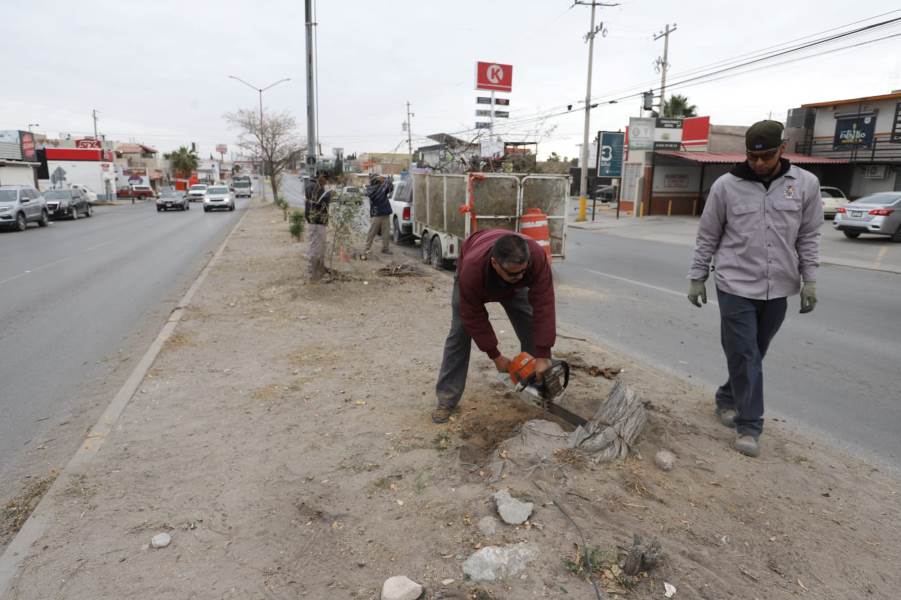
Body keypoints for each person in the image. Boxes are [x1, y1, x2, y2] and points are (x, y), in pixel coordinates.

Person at [687, 120, 822, 457]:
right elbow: (708, 235)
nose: (759, 163)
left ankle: (726, 397)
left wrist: (811, 280)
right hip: (735, 283)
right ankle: (750, 425)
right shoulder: (725, 187)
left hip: (779, 286)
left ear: (783, 147)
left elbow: (808, 236)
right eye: (753, 156)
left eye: (767, 156)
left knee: (755, 351)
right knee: (745, 353)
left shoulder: (805, 184)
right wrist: (697, 276)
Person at [432, 230, 556, 423]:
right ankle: (446, 398)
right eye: (515, 274)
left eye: (524, 270)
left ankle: (537, 386)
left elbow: (544, 304)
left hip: (510, 286)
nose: (521, 276)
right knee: (459, 333)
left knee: (531, 324)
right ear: (495, 264)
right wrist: (495, 355)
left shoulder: (536, 257)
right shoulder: (471, 271)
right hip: (475, 275)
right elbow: (473, 316)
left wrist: (543, 353)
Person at [304, 171, 333, 281]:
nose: (326, 182)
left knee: (316, 245)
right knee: (317, 246)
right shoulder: (315, 187)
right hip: (317, 221)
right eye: (325, 179)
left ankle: (316, 269)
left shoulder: (311, 185)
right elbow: (322, 200)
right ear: (321, 177)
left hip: (315, 220)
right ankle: (314, 272)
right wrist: (330, 195)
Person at [362, 173, 394, 258]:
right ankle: (367, 248)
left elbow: (390, 188)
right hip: (376, 214)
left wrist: (389, 181)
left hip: (385, 213)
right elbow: (369, 193)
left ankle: (385, 248)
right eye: (378, 179)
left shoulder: (382, 187)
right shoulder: (370, 189)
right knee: (372, 232)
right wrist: (385, 181)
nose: (380, 180)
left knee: (386, 233)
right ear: (375, 180)